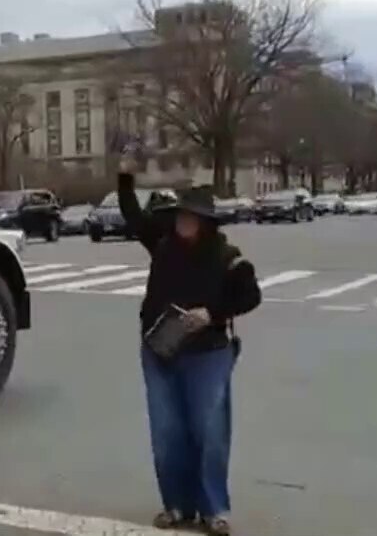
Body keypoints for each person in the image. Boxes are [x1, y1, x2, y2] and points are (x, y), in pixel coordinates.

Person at [117, 155, 262, 536]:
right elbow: (132, 217)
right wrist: (125, 177)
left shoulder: (227, 258)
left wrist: (211, 314)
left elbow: (250, 297)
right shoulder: (163, 244)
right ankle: (177, 505)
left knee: (208, 429)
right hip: (160, 349)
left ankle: (214, 508)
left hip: (208, 352)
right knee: (167, 431)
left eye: (190, 218)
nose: (183, 223)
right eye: (181, 216)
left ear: (205, 223)